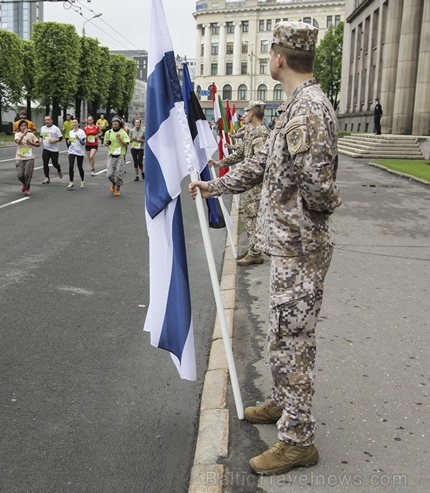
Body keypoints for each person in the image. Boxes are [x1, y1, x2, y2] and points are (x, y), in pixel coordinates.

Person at [189, 21, 341, 476]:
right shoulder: (295, 106)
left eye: (271, 50)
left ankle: (298, 442)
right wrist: (212, 186)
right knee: (282, 336)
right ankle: (285, 402)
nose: (269, 57)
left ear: (279, 57)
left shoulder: (308, 110)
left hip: (301, 250)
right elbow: (260, 166)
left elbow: (318, 188)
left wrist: (321, 209)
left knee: (293, 341)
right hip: (289, 249)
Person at [209, 101, 271, 267]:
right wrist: (219, 163)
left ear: (253, 113)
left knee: (252, 216)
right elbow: (241, 153)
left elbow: (258, 164)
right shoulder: (253, 132)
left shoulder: (262, 134)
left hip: (258, 185)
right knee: (249, 215)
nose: (244, 115)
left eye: (247, 111)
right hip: (251, 184)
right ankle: (254, 249)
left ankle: (255, 253)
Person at [103, 116, 130, 197]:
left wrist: (120, 139)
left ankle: (118, 188)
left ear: (119, 123)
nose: (115, 123)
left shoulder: (123, 133)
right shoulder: (108, 133)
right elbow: (105, 142)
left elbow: (126, 145)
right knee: (109, 174)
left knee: (118, 174)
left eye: (116, 122)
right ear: (112, 123)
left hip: (120, 155)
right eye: (113, 122)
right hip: (111, 155)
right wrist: (106, 144)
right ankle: (113, 183)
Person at [14, 119, 40, 196]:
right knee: (20, 175)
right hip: (19, 157)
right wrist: (23, 134)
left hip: (29, 157)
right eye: (22, 126)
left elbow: (38, 144)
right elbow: (18, 142)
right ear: (19, 127)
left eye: (25, 126)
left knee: (27, 174)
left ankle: (27, 188)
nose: (24, 127)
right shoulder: (17, 134)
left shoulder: (31, 135)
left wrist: (32, 143)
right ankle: (24, 184)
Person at [38, 115, 63, 184]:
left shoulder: (56, 128)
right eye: (45, 120)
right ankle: (47, 178)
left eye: (48, 120)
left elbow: (60, 138)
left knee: (55, 163)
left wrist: (54, 140)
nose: (47, 121)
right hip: (46, 149)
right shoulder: (43, 128)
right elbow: (41, 136)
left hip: (54, 150)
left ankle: (59, 169)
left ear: (51, 120)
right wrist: (40, 141)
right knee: (45, 163)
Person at [66, 118, 86, 190]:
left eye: (75, 122)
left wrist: (79, 138)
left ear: (78, 124)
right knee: (71, 166)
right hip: (71, 151)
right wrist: (69, 141)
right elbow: (70, 142)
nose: (74, 123)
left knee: (79, 166)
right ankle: (71, 182)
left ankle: (82, 181)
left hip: (80, 151)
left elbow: (83, 143)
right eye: (73, 122)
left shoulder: (82, 132)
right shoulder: (70, 132)